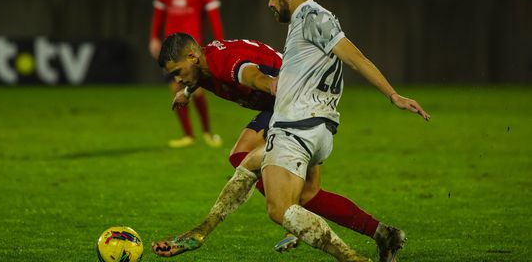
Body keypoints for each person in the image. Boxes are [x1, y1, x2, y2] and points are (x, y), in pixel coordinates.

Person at [151, 28, 429, 261]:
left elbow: (247, 73)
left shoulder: (224, 63)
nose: (177, 79)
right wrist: (187, 91)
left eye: (178, 72)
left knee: (244, 159)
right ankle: (384, 234)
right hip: (299, 106)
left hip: (292, 108)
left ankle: (289, 212)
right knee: (309, 195)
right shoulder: (203, 62)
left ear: (192, 56)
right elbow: (211, 72)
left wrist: (269, 82)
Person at [149, 0, 224, 148]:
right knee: (175, 89)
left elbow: (213, 17)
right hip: (170, 48)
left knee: (196, 90)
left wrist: (219, 41)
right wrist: (154, 38)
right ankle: (189, 135)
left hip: (191, 48)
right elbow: (159, 15)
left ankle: (207, 132)